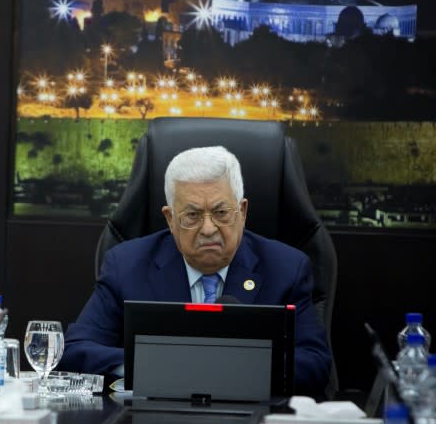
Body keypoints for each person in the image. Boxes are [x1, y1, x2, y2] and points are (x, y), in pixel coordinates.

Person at [59, 146, 332, 398]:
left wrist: (225, 368)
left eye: (221, 212)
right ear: (170, 219)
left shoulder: (286, 268)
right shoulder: (127, 265)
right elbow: (75, 349)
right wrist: (156, 366)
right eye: (192, 215)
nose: (209, 229)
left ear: (243, 211)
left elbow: (315, 364)